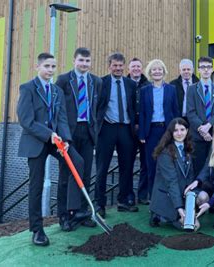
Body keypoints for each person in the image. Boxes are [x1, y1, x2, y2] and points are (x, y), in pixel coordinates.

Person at [17, 53, 86, 246]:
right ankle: (37, 230)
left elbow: (62, 118)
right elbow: (26, 120)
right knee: (36, 186)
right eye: (47, 66)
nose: (50, 70)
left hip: (57, 141)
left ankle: (72, 209)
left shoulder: (56, 91)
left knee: (77, 162)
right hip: (37, 140)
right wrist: (49, 134)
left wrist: (66, 139)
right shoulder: (28, 88)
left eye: (53, 66)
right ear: (37, 67)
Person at [55, 47, 102, 228]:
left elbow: (98, 107)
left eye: (87, 61)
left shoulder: (96, 82)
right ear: (74, 61)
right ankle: (64, 215)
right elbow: (58, 108)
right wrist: (62, 134)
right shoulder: (64, 80)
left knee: (85, 173)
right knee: (67, 175)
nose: (84, 64)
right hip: (69, 134)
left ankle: (81, 212)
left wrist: (95, 129)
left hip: (88, 133)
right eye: (81, 60)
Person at [95, 52, 139, 217]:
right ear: (109, 66)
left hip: (126, 130)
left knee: (127, 167)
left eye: (121, 66)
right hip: (107, 128)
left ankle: (123, 200)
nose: (118, 68)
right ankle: (100, 204)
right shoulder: (101, 82)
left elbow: (133, 107)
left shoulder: (130, 84)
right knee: (102, 168)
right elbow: (96, 106)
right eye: (115, 65)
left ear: (124, 67)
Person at [139, 59, 179, 201]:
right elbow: (142, 113)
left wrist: (176, 132)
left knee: (169, 164)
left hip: (167, 131)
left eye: (159, 69)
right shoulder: (144, 91)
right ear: (150, 73)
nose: (157, 72)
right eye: (154, 69)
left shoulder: (171, 89)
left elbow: (175, 111)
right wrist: (142, 134)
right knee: (152, 166)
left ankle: (170, 198)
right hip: (151, 132)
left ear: (164, 72)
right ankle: (153, 199)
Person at [149, 118, 195, 229]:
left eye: (182, 129)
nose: (179, 133)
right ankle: (159, 215)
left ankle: (174, 215)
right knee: (187, 226)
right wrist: (180, 208)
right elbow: (171, 182)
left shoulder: (187, 148)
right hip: (168, 196)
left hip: (180, 194)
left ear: (187, 130)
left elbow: (189, 176)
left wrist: (189, 202)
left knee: (194, 225)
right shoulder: (165, 152)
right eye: (175, 130)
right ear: (171, 133)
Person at [186, 56, 214, 176]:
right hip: (198, 136)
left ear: (212, 69)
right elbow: (191, 112)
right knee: (198, 168)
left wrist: (209, 126)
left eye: (208, 67)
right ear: (198, 70)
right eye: (203, 67)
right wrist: (202, 129)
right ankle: (199, 193)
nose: (206, 70)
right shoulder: (191, 89)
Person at [127, 57, 150, 205]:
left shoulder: (148, 85)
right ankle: (128, 196)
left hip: (144, 129)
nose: (136, 69)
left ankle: (142, 195)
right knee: (127, 163)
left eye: (138, 66)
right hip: (128, 129)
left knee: (145, 163)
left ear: (141, 69)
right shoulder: (123, 84)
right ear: (129, 69)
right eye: (133, 66)